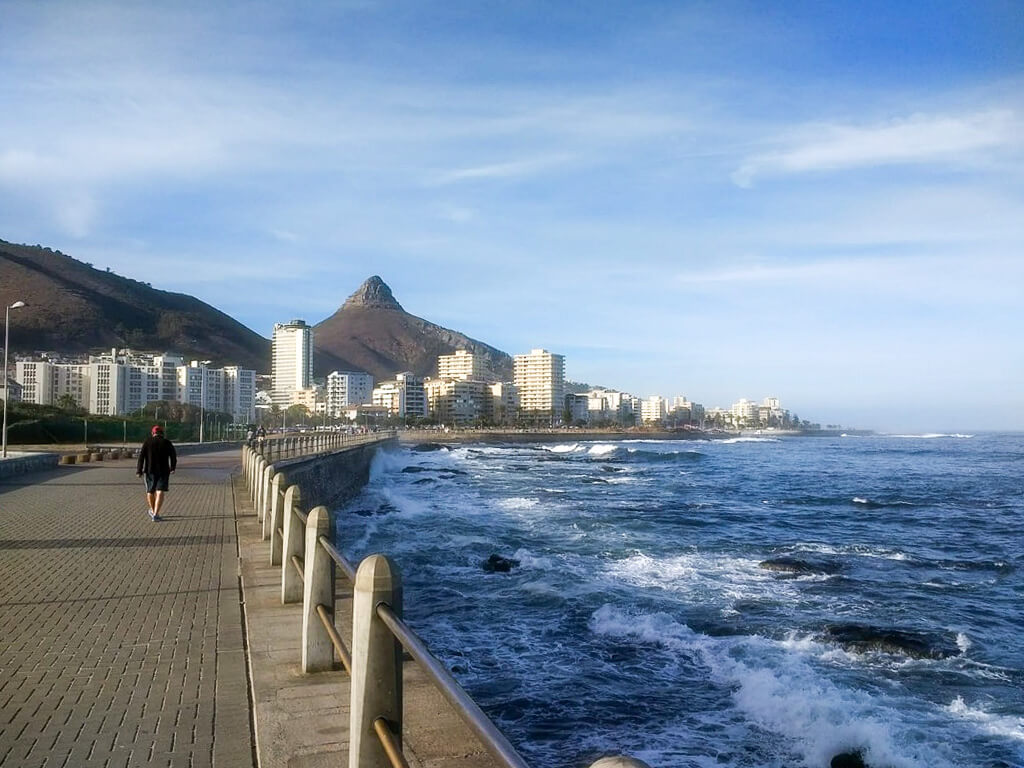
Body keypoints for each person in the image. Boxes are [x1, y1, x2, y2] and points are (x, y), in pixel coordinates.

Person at [137, 425, 177, 521]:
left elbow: (141, 457)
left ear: (152, 433)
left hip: (150, 471)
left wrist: (139, 470)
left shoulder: (147, 442)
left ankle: (153, 510)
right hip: (163, 471)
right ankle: (155, 514)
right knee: (160, 491)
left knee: (150, 491)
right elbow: (173, 456)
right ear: (162, 433)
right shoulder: (167, 443)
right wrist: (172, 467)